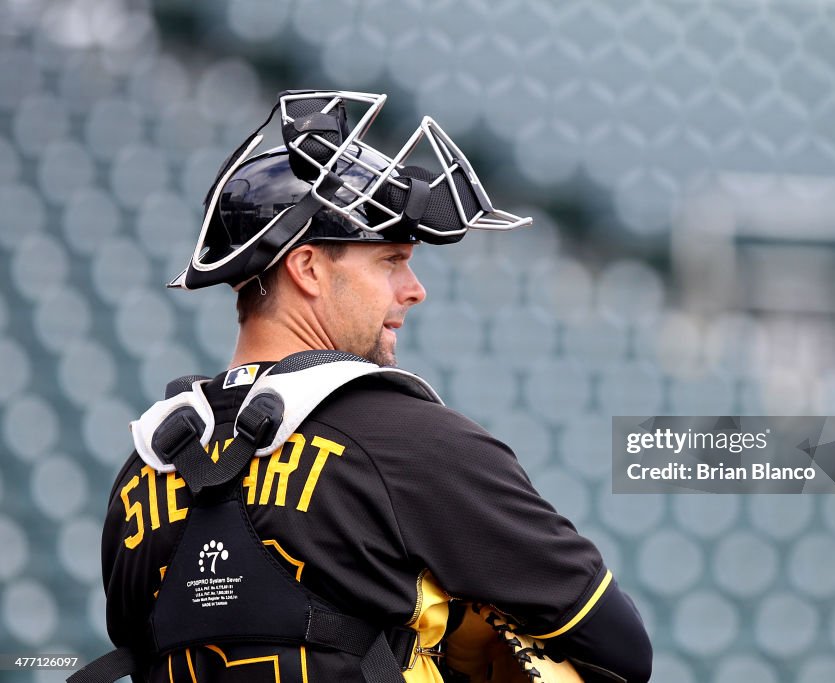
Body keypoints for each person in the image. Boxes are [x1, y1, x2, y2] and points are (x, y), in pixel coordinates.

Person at [79, 90, 652, 683]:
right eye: (391, 260)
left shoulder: (143, 470)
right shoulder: (417, 445)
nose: (414, 288)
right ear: (307, 268)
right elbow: (623, 649)